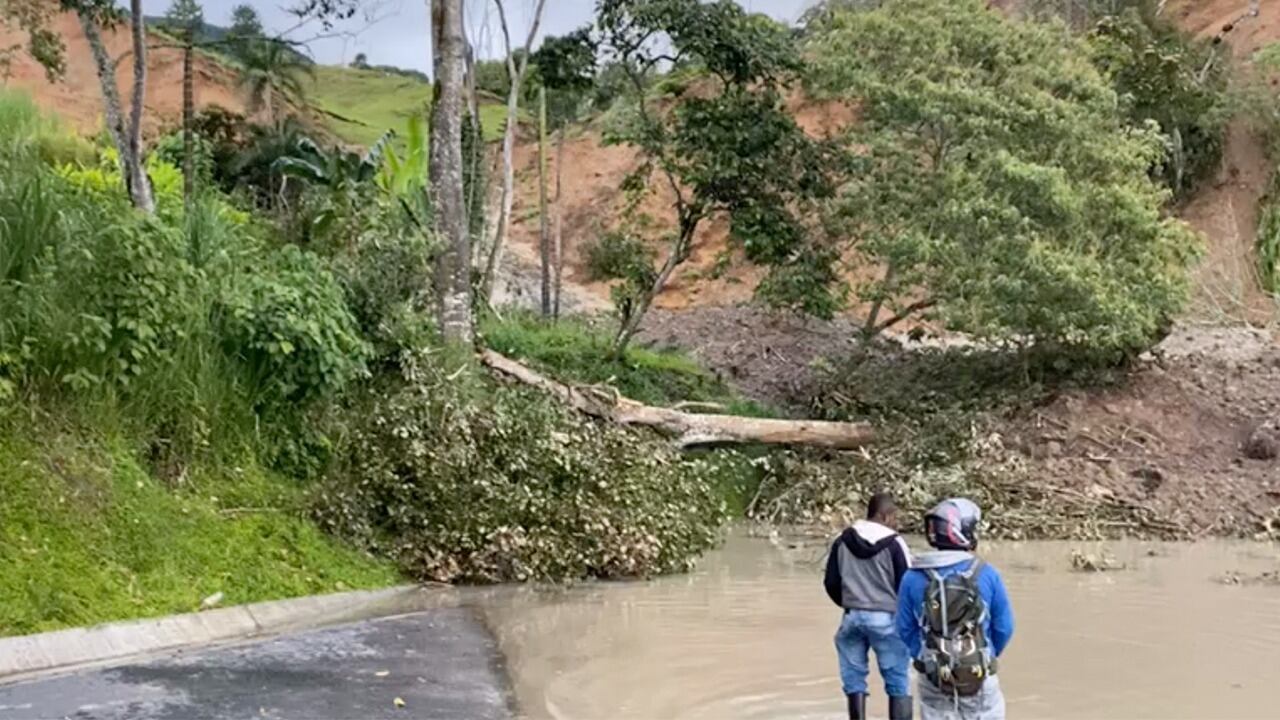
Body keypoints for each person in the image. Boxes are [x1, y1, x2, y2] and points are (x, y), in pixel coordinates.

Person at [895, 498, 1014, 720]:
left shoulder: (912, 576)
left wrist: (925, 657)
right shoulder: (986, 573)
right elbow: (1004, 627)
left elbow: (903, 628)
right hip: (980, 675)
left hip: (935, 676)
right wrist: (982, 656)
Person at [824, 492, 914, 720]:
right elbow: (907, 585)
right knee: (898, 680)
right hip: (886, 619)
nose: (896, 523)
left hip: (852, 617)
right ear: (885, 515)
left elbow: (831, 582)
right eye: (894, 517)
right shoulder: (895, 543)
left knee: (853, 679)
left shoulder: (842, 540)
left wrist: (850, 605)